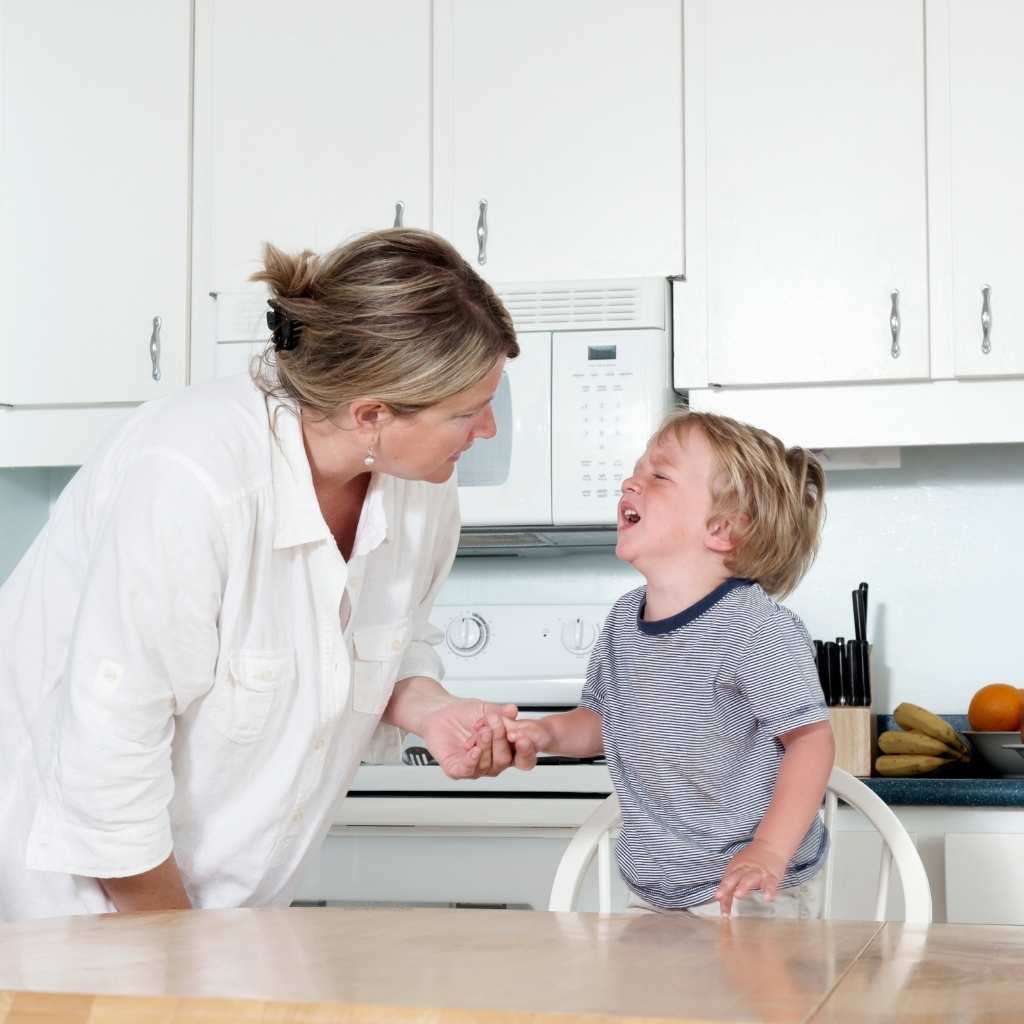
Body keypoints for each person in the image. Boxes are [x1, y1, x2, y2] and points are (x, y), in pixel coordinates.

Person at [0, 228, 529, 921]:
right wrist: (181, 960)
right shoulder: (191, 478)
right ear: (370, 414)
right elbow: (108, 765)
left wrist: (430, 709)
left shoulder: (421, 489)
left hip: (231, 915)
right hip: (65, 907)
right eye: (465, 412)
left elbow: (387, 639)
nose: (485, 430)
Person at [504, 411, 835, 916]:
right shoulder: (622, 622)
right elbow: (600, 723)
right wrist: (545, 733)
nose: (630, 481)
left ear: (722, 529)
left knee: (750, 997)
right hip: (654, 883)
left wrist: (767, 851)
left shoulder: (755, 626)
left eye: (658, 475)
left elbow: (810, 742)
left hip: (745, 887)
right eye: (638, 469)